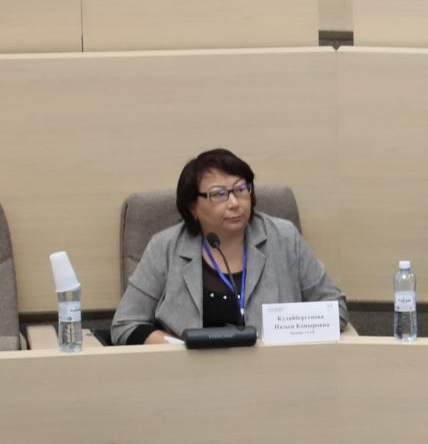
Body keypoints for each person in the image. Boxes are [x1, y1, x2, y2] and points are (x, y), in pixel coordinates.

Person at [113, 148, 345, 345]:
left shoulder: (284, 237)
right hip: (189, 376)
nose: (234, 203)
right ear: (192, 207)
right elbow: (125, 324)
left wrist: (293, 333)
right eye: (219, 194)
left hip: (273, 373)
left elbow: (335, 308)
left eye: (241, 189)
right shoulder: (165, 247)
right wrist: (182, 351)